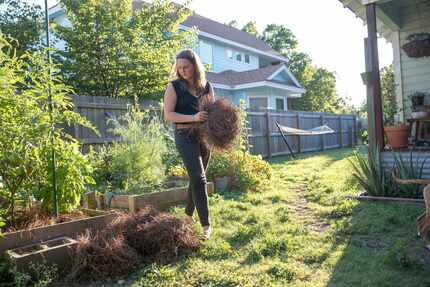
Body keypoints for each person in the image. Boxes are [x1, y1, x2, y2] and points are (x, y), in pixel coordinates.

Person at [163, 49, 215, 239]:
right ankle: (206, 226)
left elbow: (212, 111)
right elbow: (168, 115)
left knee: (196, 178)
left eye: (186, 67)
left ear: (195, 66)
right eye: (179, 68)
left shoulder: (206, 86)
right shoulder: (174, 87)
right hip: (184, 135)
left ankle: (187, 215)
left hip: (205, 136)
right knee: (199, 179)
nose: (182, 71)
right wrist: (193, 117)